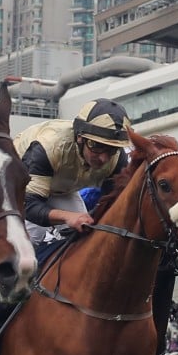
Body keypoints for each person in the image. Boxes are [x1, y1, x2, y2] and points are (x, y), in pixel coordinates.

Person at [14, 98, 132, 245]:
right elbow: (29, 205)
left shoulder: (117, 160)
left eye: (112, 149)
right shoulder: (48, 147)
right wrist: (67, 216)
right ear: (79, 137)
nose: (103, 158)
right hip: (14, 186)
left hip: (60, 188)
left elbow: (114, 204)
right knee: (28, 242)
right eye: (96, 145)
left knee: (83, 235)